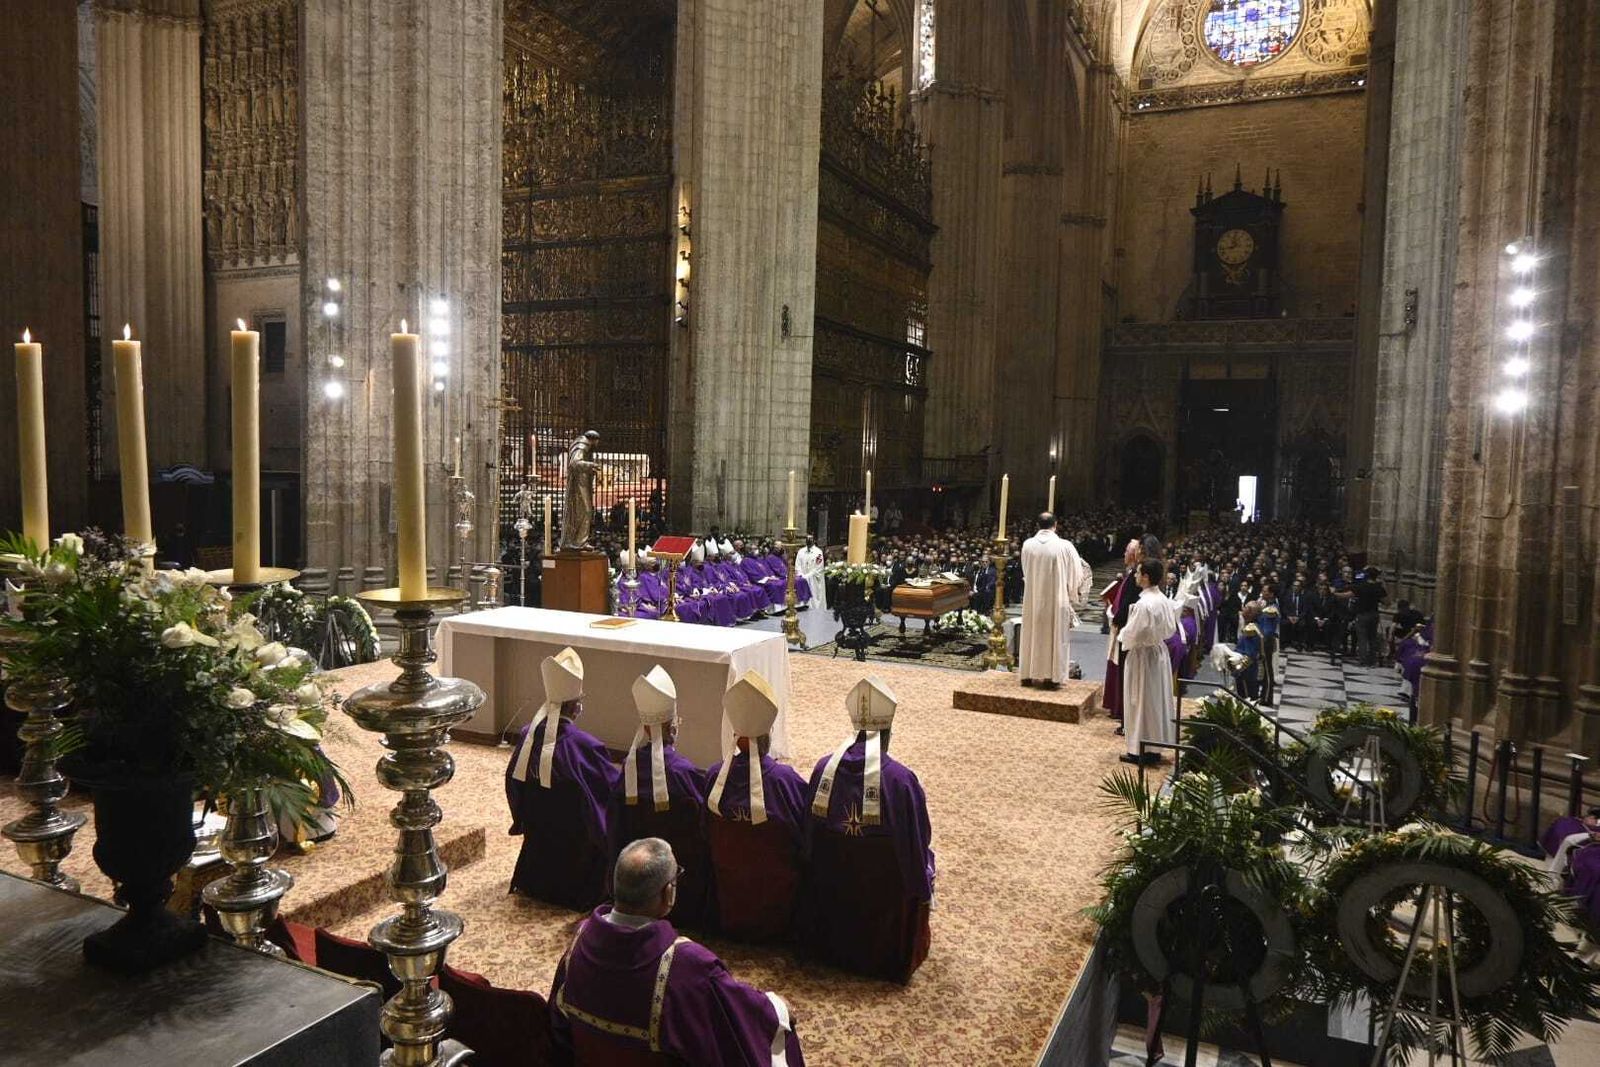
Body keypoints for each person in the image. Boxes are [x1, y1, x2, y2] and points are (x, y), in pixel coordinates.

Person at [551, 838, 806, 1064]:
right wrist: (777, 1008)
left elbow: (559, 1029)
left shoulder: (578, 943)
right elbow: (738, 1020)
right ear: (668, 893)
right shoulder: (688, 964)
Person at [801, 677, 935, 982]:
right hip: (884, 929)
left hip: (831, 907)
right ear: (888, 733)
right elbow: (917, 849)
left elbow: (807, 841)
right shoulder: (901, 781)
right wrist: (924, 888)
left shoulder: (823, 769)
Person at [506, 647, 620, 910]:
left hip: (539, 843)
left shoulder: (526, 736)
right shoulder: (586, 746)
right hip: (576, 859)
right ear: (575, 706)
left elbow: (513, 782)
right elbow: (609, 792)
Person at [608, 666, 715, 931]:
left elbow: (615, 827)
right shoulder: (684, 773)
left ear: (644, 728)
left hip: (634, 880)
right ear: (672, 727)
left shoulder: (627, 773)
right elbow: (704, 827)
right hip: (685, 892)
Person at [705, 671, 809, 941]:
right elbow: (807, 836)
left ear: (736, 734)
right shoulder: (786, 782)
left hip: (727, 902)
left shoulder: (714, 776)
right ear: (769, 734)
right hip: (779, 909)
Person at [1019, 512, 1093, 689]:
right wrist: (1073, 591)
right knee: (1054, 636)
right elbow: (1077, 572)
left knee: (1032, 633)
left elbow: (1025, 571)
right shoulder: (1064, 546)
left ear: (1038, 525)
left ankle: (1027, 674)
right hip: (1056, 599)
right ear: (1056, 525)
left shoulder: (1027, 545)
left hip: (1033, 598)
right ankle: (1052, 677)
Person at [1119, 559, 1180, 765]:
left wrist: (1121, 636)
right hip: (1158, 653)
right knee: (1155, 701)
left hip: (1142, 656)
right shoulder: (1162, 599)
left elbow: (1131, 635)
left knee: (1140, 701)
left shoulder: (1144, 604)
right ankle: (1154, 747)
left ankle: (1138, 750)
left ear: (1145, 576)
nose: (1135, 575)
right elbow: (1171, 628)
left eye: (1137, 572)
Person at [560, 430, 602, 551]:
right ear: (593, 440)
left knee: (582, 512)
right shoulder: (582, 445)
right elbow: (574, 463)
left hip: (581, 484)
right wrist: (591, 465)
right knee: (585, 511)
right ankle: (578, 542)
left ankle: (577, 541)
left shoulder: (583, 445)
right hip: (578, 486)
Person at [1354, 567, 1389, 666]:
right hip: (1374, 614)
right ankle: (1372, 660)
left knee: (1362, 638)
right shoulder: (1379, 588)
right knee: (1372, 637)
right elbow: (1387, 602)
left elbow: (1350, 594)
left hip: (1362, 614)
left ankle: (1363, 660)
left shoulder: (1362, 586)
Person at [796, 534, 827, 613]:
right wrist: (801, 574)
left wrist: (807, 576)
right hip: (802, 576)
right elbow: (798, 565)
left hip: (814, 578)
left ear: (814, 540)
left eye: (811, 539)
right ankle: (803, 605)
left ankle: (815, 607)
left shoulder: (818, 552)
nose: (809, 540)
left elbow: (818, 567)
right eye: (807, 539)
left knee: (814, 593)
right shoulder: (801, 551)